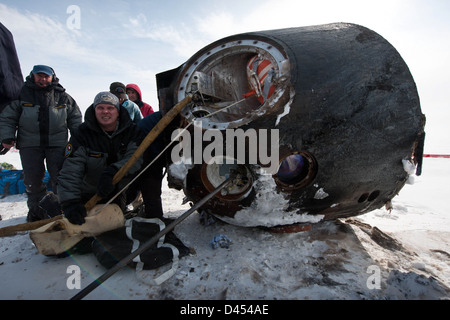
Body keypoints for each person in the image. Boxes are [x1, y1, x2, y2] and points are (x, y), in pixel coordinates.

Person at [0, 65, 82, 222]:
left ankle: (63, 210)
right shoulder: (22, 94)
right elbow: (8, 117)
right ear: (33, 76)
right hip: (29, 145)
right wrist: (7, 136)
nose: (43, 79)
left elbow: (75, 118)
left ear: (52, 77)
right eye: (40, 76)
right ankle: (36, 212)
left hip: (57, 145)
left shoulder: (63, 96)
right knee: (32, 180)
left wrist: (78, 139)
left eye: (46, 76)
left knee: (61, 178)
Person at [58, 91, 143, 225]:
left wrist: (113, 171)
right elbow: (71, 169)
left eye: (110, 108)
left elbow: (135, 158)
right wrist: (70, 202)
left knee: (112, 224)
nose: (105, 112)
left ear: (118, 111)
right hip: (90, 192)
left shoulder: (132, 132)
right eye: (100, 108)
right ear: (94, 109)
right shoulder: (81, 134)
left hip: (121, 190)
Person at [136, 111, 167, 219]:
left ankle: (154, 215)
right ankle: (154, 218)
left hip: (150, 148)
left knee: (151, 185)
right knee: (151, 183)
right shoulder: (169, 118)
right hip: (145, 150)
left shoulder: (165, 115)